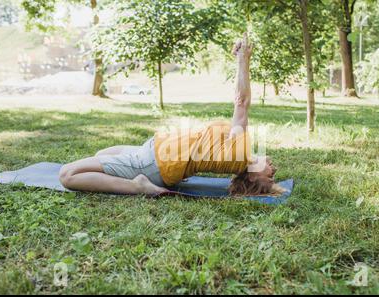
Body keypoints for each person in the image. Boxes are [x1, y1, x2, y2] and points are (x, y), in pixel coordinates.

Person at [59, 33, 281, 196]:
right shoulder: (236, 152)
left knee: (67, 175)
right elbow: (239, 100)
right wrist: (239, 62)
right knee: (102, 153)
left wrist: (243, 60)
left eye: (269, 176)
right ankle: (132, 180)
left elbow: (241, 102)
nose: (273, 169)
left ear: (252, 175)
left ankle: (138, 187)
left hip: (152, 164)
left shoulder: (237, 157)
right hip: (153, 152)